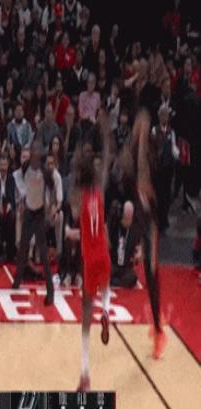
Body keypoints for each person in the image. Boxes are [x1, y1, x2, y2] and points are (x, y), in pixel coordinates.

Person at [71, 113, 113, 391]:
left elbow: (75, 215)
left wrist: (77, 155)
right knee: (106, 286)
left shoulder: (79, 196)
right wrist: (106, 133)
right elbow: (107, 158)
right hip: (104, 254)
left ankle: (85, 374)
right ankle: (106, 309)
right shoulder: (100, 191)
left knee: (86, 313)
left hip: (89, 258)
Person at [123, 111, 167, 359]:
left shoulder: (152, 152)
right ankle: (157, 323)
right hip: (138, 217)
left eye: (143, 123)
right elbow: (124, 176)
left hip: (150, 220)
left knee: (151, 273)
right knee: (127, 261)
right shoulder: (131, 153)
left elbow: (158, 187)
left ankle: (159, 330)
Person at [12, 146, 54, 307]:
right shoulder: (25, 167)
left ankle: (50, 292)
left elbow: (51, 187)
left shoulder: (45, 171)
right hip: (29, 211)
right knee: (23, 248)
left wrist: (50, 206)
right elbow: (19, 176)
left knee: (43, 254)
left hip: (39, 213)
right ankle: (17, 280)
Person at [0, 152, 16, 265]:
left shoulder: (11, 179)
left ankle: (10, 252)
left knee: (12, 216)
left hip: (7, 208)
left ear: (8, 165)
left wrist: (9, 205)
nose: (3, 168)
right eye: (1, 165)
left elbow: (12, 199)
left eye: (5, 165)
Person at [109, 201, 141, 288]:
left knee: (132, 278)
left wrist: (138, 254)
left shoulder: (135, 230)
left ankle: (115, 282)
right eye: (126, 218)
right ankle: (115, 281)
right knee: (104, 273)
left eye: (130, 219)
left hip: (126, 266)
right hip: (113, 264)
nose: (128, 221)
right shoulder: (114, 226)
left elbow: (139, 247)